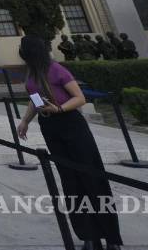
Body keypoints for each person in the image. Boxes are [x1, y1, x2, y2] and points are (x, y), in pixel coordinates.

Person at [17, 35, 122, 250]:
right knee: (70, 181)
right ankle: (89, 236)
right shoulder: (31, 75)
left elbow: (80, 97)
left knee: (92, 177)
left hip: (71, 124)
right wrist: (26, 121)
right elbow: (35, 99)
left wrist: (60, 109)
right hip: (51, 127)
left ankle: (111, 237)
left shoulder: (56, 70)